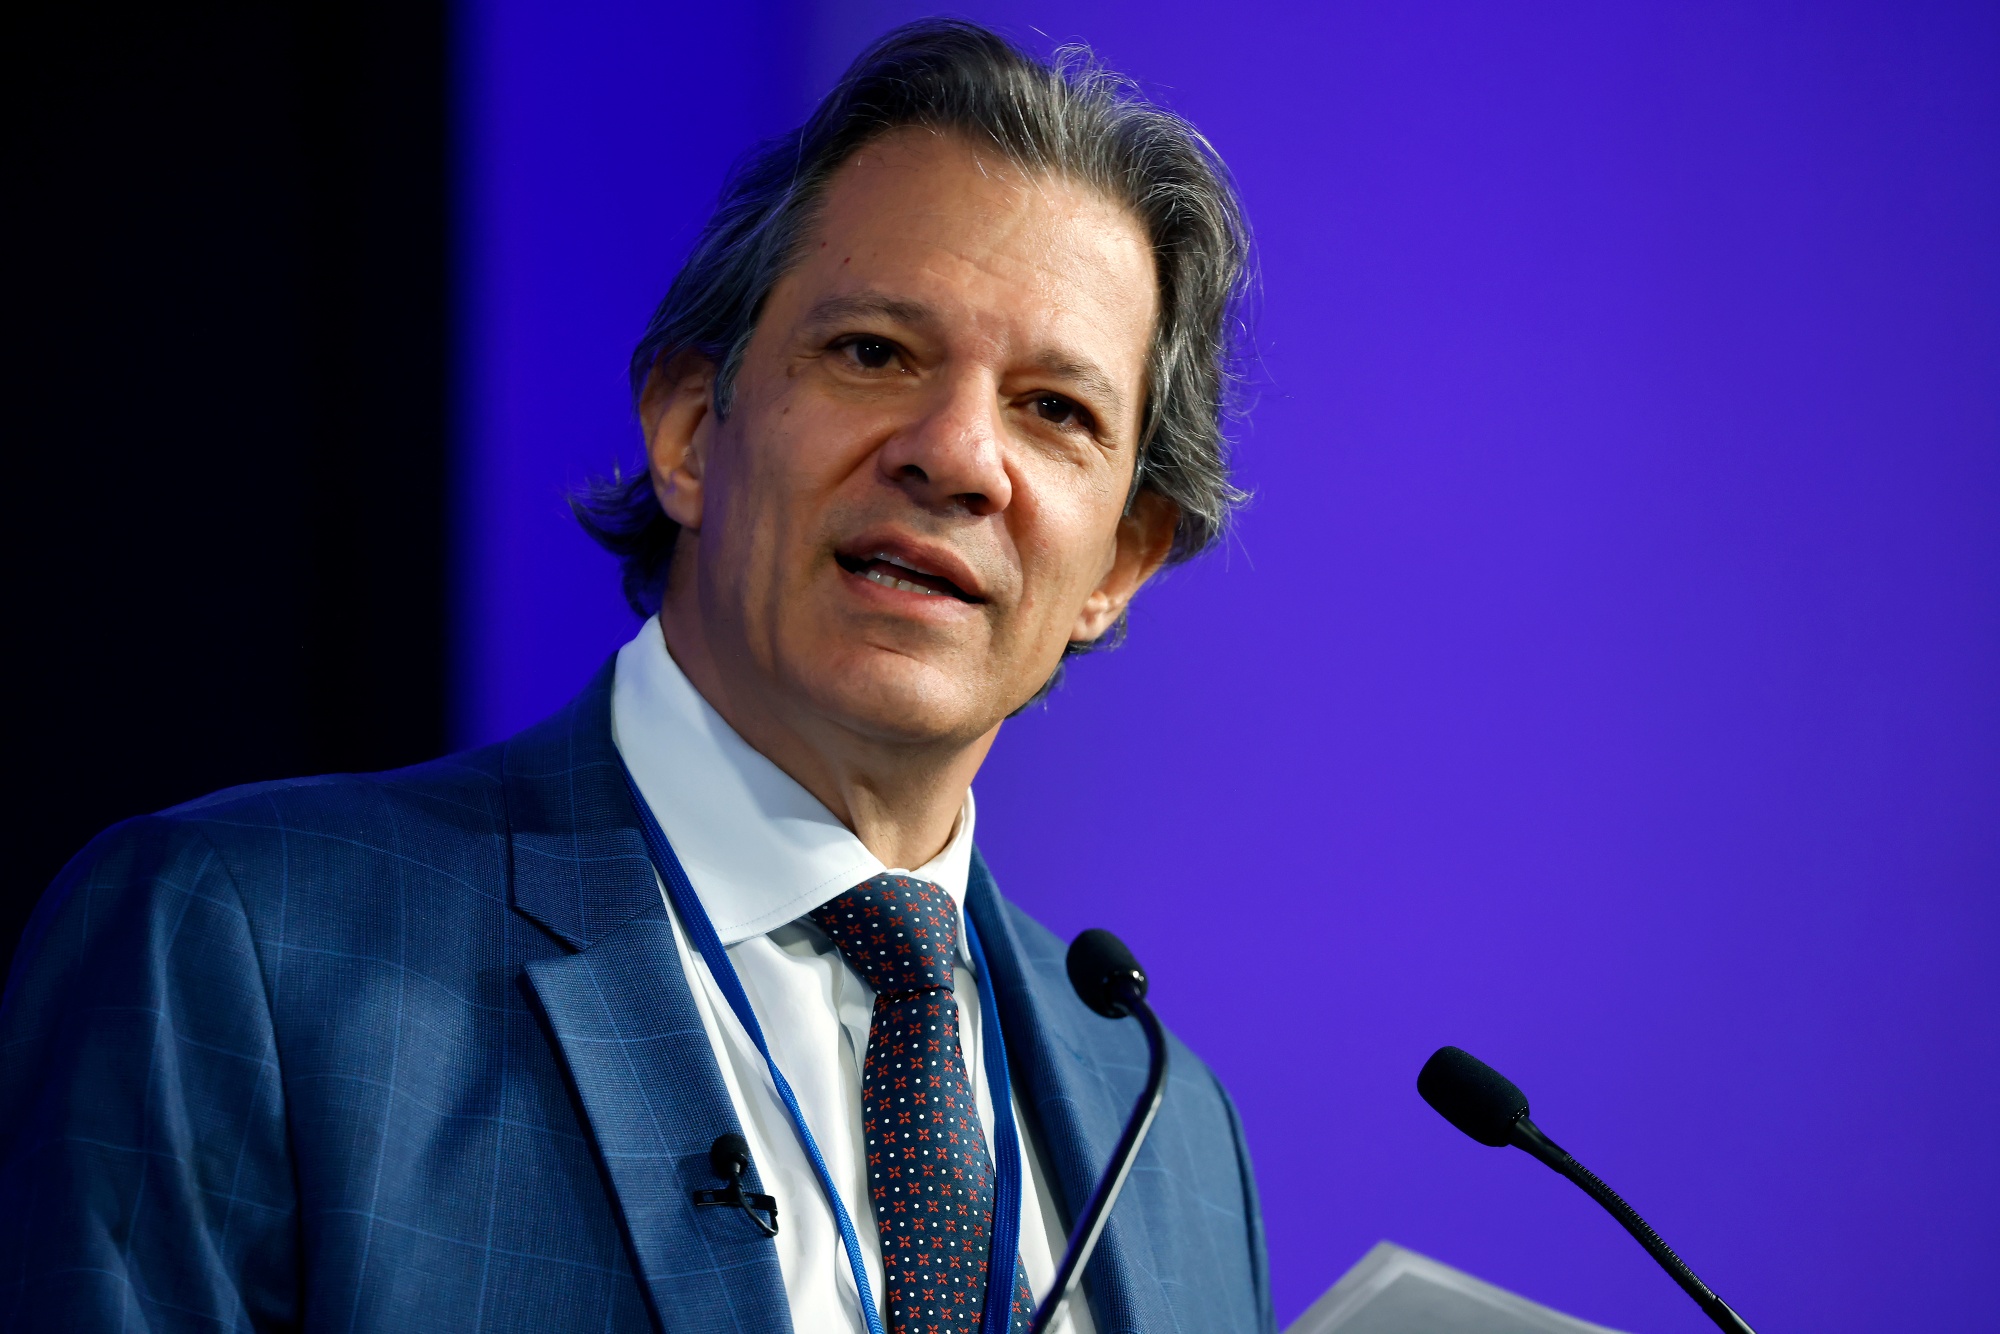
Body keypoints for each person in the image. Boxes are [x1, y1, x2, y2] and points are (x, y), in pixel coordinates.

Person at [0, 21, 1269, 1334]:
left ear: (1121, 560)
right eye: (874, 351)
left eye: (1056, 409)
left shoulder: (1172, 1129)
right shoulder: (243, 945)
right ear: (688, 430)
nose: (955, 455)